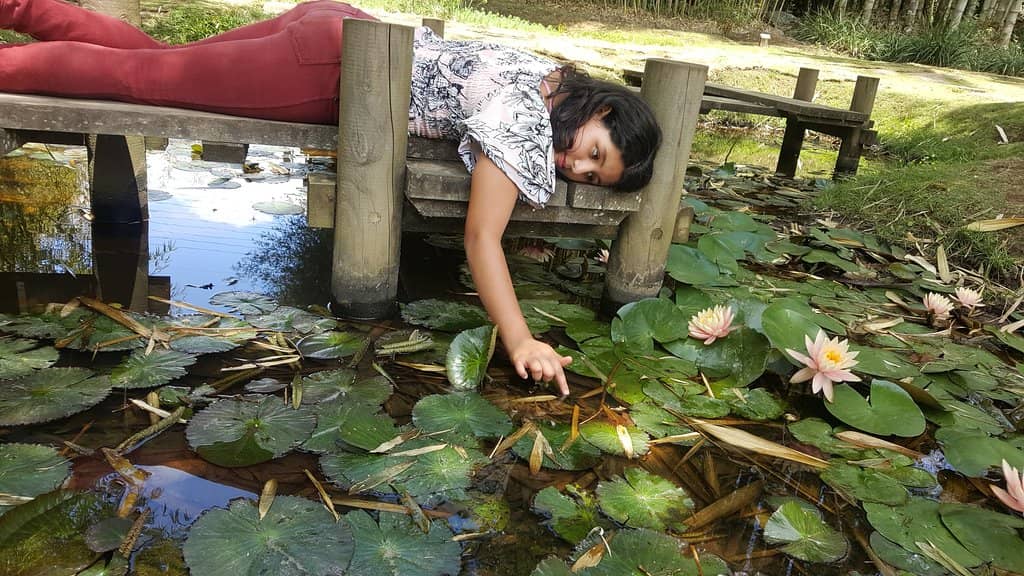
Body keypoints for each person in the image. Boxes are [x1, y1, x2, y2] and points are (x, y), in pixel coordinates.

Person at [0, 0, 662, 395]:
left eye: (588, 177)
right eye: (593, 151)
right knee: (135, 79)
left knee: (154, 61)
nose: (573, 164)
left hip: (337, 27)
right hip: (326, 71)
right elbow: (481, 237)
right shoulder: (524, 122)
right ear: (602, 107)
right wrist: (520, 340)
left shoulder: (550, 78)